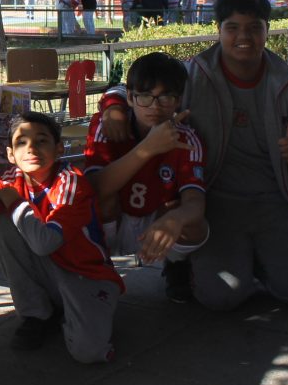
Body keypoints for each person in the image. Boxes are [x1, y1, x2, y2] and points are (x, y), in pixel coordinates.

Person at [97, 0, 288, 312]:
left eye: (254, 27)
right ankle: (183, 265)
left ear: (267, 30)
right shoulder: (195, 73)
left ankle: (260, 259)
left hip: (275, 201)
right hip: (213, 202)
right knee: (219, 298)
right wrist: (113, 106)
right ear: (218, 30)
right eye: (232, 27)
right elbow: (137, 87)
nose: (243, 37)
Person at [0, 111, 122, 362]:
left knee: (89, 352)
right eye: (22, 142)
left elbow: (46, 243)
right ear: (11, 154)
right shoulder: (12, 179)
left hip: (84, 276)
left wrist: (14, 202)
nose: (32, 148)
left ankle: (78, 311)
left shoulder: (71, 183)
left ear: (59, 149)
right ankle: (37, 313)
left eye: (42, 140)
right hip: (49, 273)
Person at [84, 52, 209, 302]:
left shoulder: (187, 137)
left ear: (178, 100)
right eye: (145, 96)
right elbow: (95, 188)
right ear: (130, 98)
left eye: (165, 97)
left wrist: (177, 218)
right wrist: (147, 148)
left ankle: (177, 264)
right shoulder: (106, 125)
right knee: (92, 203)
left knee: (195, 223)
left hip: (155, 218)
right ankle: (97, 263)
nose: (155, 106)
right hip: (115, 218)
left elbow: (195, 201)